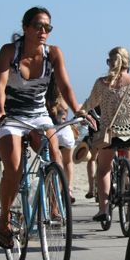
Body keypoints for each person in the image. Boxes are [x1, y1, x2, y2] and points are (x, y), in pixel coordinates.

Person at [0, 6, 92, 249]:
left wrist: (78, 109)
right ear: (25, 28)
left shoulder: (53, 54)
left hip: (39, 116)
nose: (43, 31)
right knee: (13, 168)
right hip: (12, 118)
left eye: (48, 27)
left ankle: (54, 207)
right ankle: (4, 219)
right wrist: (0, 110)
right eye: (38, 26)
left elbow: (65, 86)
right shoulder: (9, 52)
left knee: (54, 157)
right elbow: (0, 85)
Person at [77, 47, 130, 227]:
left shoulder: (102, 83)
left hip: (110, 133)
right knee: (129, 161)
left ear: (110, 62)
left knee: (103, 169)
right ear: (128, 63)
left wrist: (81, 112)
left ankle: (104, 210)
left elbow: (90, 103)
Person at [45, 76, 78, 205]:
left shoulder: (45, 98)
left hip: (51, 134)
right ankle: (68, 189)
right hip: (65, 133)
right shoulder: (64, 99)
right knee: (68, 162)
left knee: (52, 163)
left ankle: (54, 190)